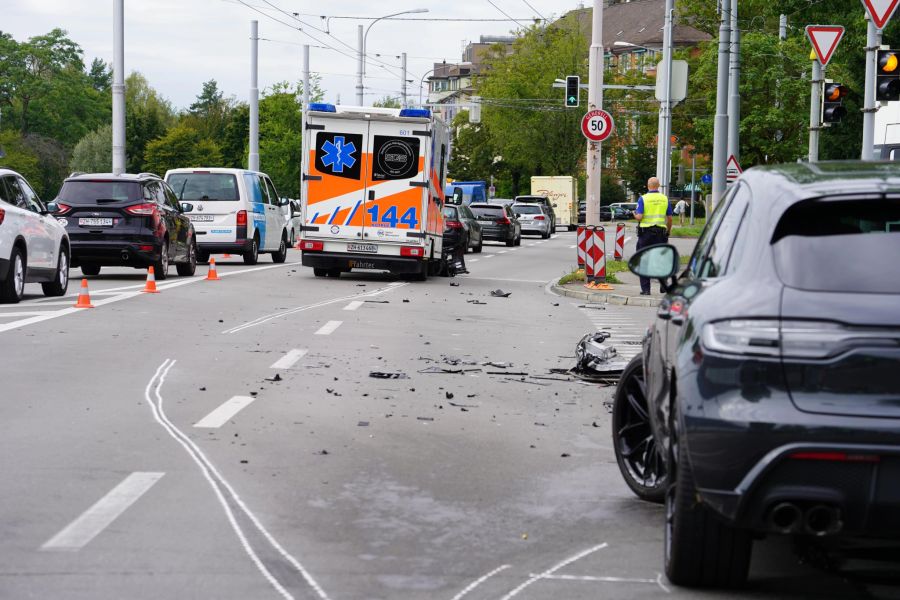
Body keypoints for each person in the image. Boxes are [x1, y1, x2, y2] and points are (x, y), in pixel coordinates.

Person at [634, 176, 673, 295]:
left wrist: (634, 214)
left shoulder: (643, 199)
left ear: (648, 185)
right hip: (661, 233)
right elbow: (670, 218)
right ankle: (663, 284)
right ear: (659, 186)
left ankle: (646, 290)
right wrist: (668, 230)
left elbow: (640, 217)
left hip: (646, 234)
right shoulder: (665, 199)